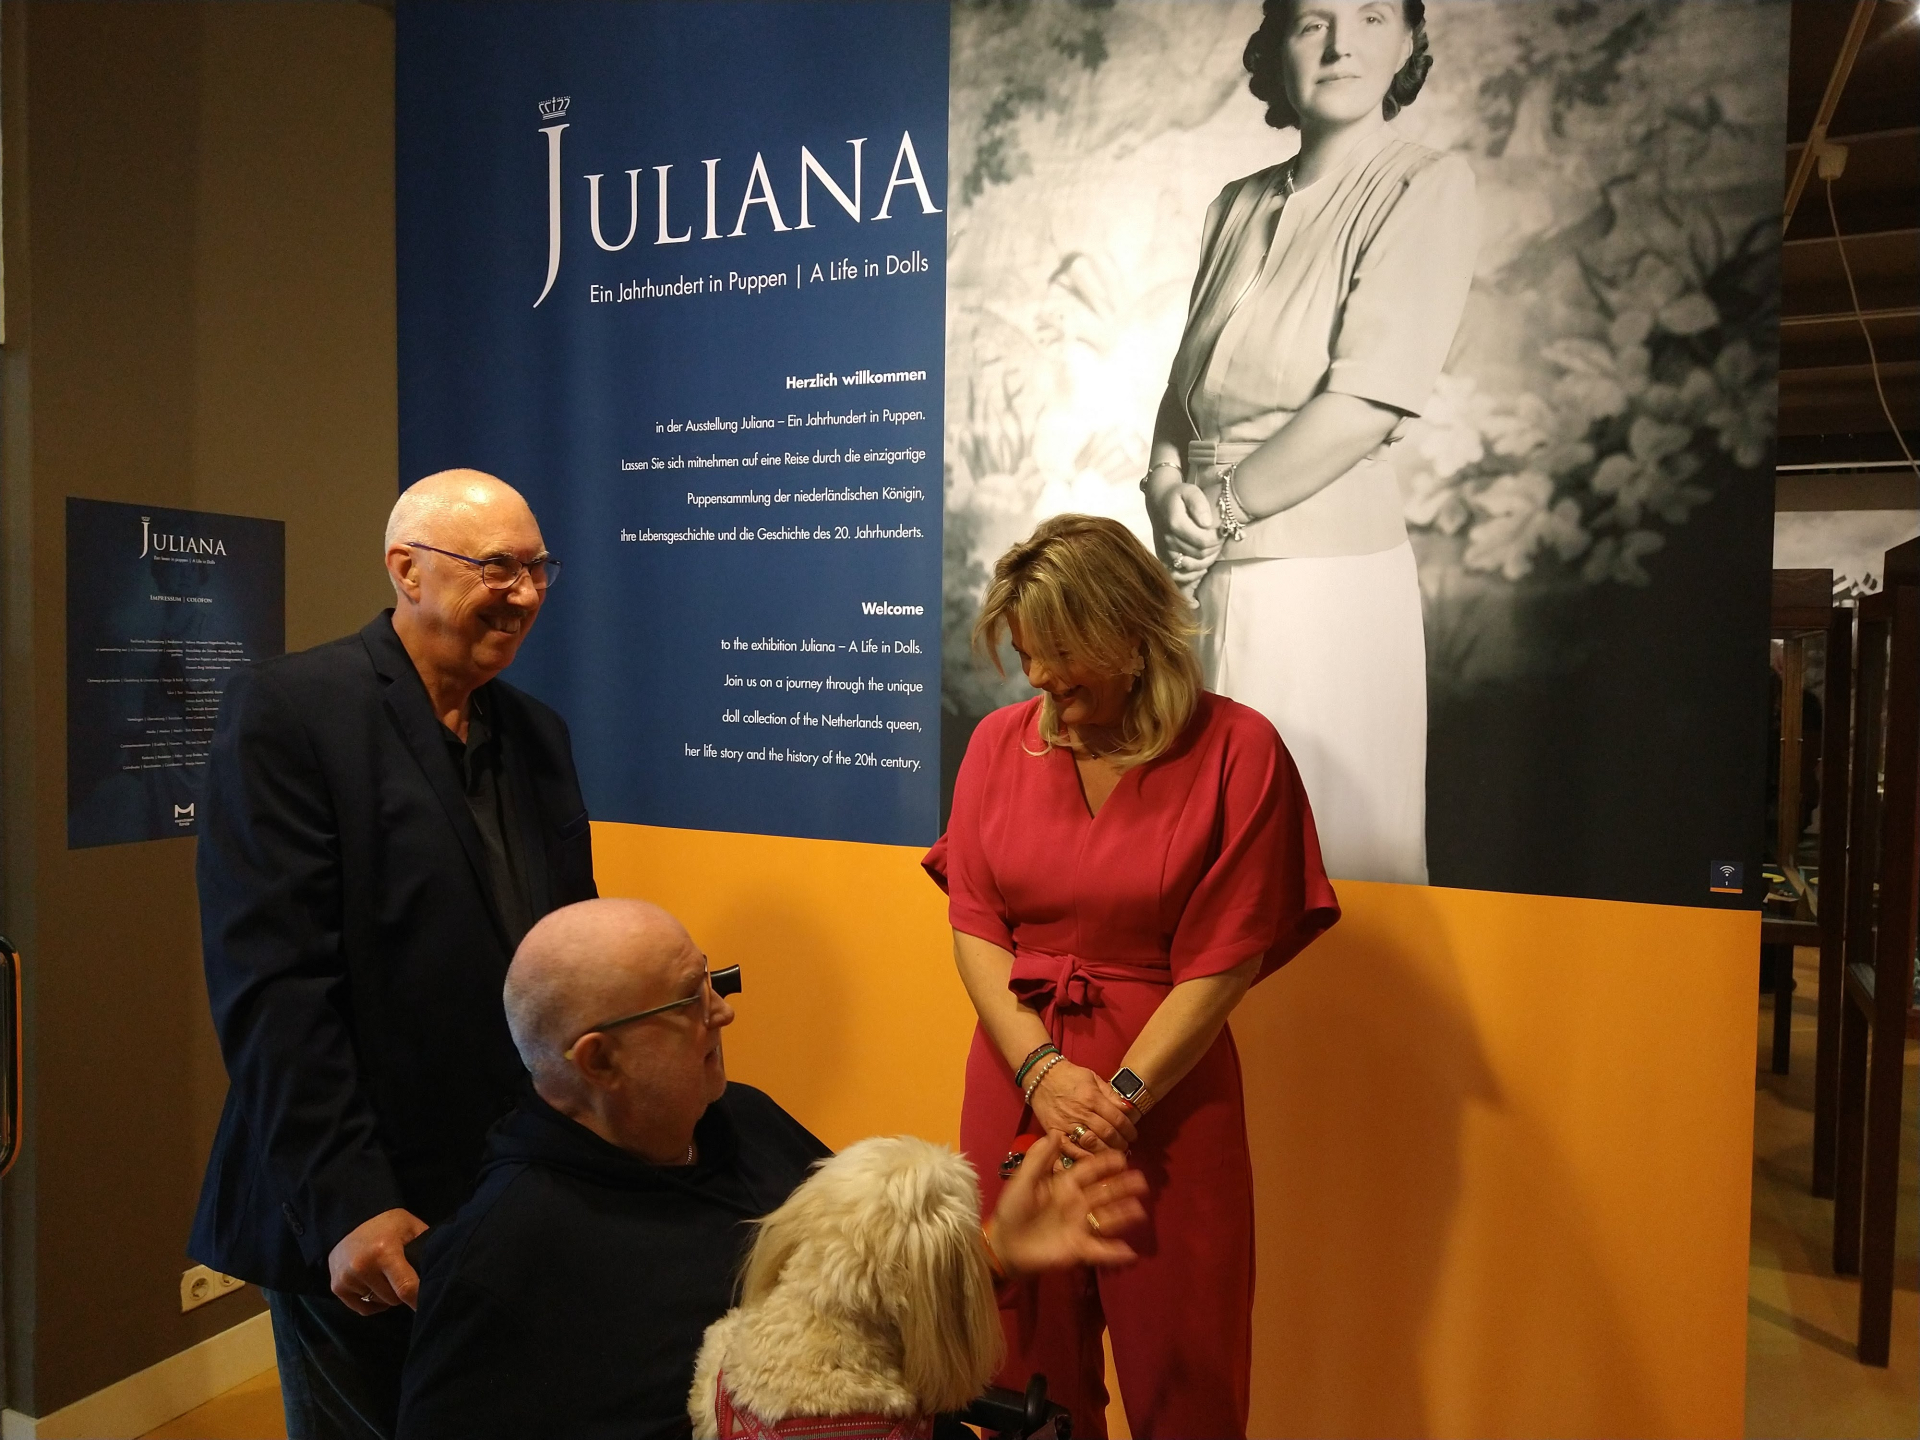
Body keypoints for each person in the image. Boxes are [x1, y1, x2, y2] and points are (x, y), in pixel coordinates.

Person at [396, 898, 1149, 1440]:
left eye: (711, 981)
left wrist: (993, 1253)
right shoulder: (501, 1256)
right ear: (600, 1060)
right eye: (689, 1001)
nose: (722, 1012)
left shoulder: (745, 1121)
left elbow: (857, 1310)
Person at [191, 470, 596, 1440]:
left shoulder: (536, 736)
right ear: (406, 570)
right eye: (497, 568)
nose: (525, 594)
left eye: (539, 569)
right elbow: (275, 990)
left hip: (504, 1190)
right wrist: (348, 1203)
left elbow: (564, 951)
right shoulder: (292, 711)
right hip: (362, 1206)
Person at [925, 515, 1340, 1439]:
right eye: (1025, 653)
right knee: (1019, 1362)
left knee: (1186, 1368)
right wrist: (1041, 1072)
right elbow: (975, 927)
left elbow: (1227, 956)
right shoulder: (997, 744)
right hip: (1015, 1079)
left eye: (1061, 651)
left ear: (1130, 631)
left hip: (1168, 1098)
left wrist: (1119, 1098)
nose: (1039, 676)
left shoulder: (1239, 749)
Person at [1142, 0, 1477, 885]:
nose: (1340, 47)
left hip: (1323, 591)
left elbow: (1367, 401)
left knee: (1309, 864)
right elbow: (1184, 391)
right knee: (1200, 863)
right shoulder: (1235, 205)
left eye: (1370, 18)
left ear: (1407, 44)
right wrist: (1163, 485)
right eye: (1312, 23)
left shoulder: (1425, 187)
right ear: (1277, 48)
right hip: (1200, 582)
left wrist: (1215, 512)